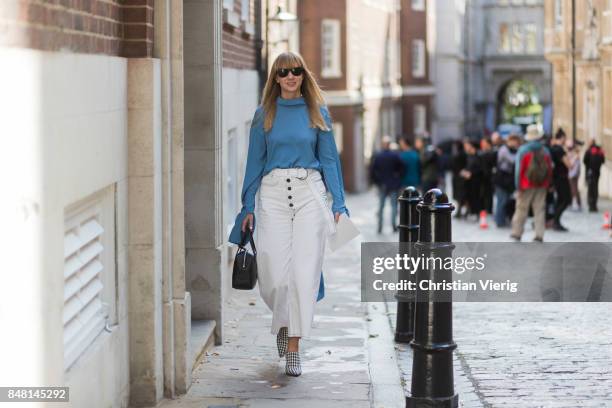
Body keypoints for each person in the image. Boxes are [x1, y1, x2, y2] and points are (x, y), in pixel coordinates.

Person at [228, 52, 348, 377]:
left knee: (303, 272)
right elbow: (254, 163)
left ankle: (294, 344)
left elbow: (330, 162)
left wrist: (339, 204)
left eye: (296, 71)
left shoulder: (317, 112)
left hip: (310, 192)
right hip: (272, 194)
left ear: (303, 75)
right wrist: (247, 206)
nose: (291, 76)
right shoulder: (263, 114)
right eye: (284, 72)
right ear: (276, 78)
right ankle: (283, 323)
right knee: (274, 275)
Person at [511, 125, 552, 242]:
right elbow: (549, 169)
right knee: (539, 210)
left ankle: (517, 233)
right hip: (542, 185)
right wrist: (548, 183)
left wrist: (518, 186)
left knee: (521, 209)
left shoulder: (523, 150)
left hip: (525, 185)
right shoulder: (545, 151)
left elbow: (518, 171)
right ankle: (539, 235)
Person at [370, 136, 405, 233]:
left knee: (381, 206)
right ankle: (393, 226)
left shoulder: (378, 156)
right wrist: (398, 179)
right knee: (394, 206)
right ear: (389, 145)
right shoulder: (395, 155)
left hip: (382, 185)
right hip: (393, 184)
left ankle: (380, 227)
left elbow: (372, 171)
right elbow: (402, 169)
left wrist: (376, 182)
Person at [493, 134, 520, 227]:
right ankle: (499, 221)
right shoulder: (504, 149)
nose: (516, 144)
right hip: (501, 179)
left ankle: (503, 219)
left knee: (506, 200)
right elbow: (513, 160)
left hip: (508, 181)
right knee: (502, 201)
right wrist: (521, 154)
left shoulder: (513, 150)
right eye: (515, 141)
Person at [550, 129, 572, 231]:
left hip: (556, 178)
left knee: (560, 200)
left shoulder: (553, 148)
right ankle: (556, 221)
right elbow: (569, 165)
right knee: (565, 200)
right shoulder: (559, 150)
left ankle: (556, 221)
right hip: (562, 178)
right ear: (562, 138)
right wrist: (575, 156)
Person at [460, 139, 483, 220]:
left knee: (475, 196)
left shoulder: (478, 156)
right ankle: (469, 211)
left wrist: (471, 173)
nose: (465, 148)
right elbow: (467, 166)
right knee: (467, 196)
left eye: (467, 146)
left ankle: (476, 212)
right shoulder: (469, 156)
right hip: (468, 181)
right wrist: (464, 171)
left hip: (476, 180)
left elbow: (481, 168)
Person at [583, 138, 605, 212]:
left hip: (589, 172)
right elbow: (603, 161)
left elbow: (584, 161)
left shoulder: (588, 151)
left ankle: (590, 205)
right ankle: (594, 205)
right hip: (597, 173)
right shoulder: (599, 151)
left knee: (590, 189)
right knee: (595, 188)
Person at [479, 138, 497, 214]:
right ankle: (483, 209)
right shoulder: (482, 153)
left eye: (484, 143)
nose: (482, 144)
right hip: (482, 176)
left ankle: (489, 209)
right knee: (483, 193)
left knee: (489, 194)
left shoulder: (493, 152)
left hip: (490, 176)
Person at [451, 140, 468, 218]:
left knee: (460, 195)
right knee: (460, 195)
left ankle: (460, 211)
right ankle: (462, 210)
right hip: (460, 177)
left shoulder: (459, 155)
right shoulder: (464, 154)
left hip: (458, 178)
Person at [566, 140, 582, 211]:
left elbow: (571, 165)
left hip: (572, 174)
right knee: (574, 189)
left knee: (574, 189)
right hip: (573, 174)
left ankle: (577, 203)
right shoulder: (574, 155)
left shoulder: (574, 156)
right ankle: (577, 203)